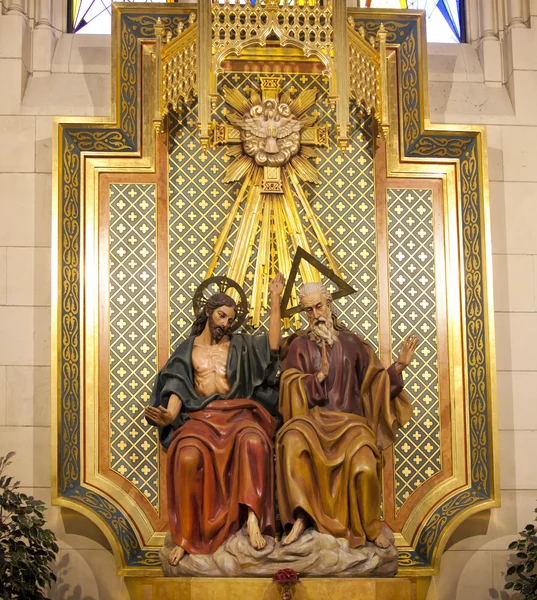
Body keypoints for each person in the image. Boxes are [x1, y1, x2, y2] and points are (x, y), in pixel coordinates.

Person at [145, 274, 285, 566]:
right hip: (201, 418)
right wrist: (168, 415)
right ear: (208, 312)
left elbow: (273, 345)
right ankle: (185, 537)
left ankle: (253, 520)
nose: (225, 323)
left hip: (237, 412)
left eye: (230, 319)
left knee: (255, 441)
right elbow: (178, 387)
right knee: (185, 456)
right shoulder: (188, 351)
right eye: (221, 316)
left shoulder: (241, 345)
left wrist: (275, 299)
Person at [276, 282, 418, 549]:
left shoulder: (353, 344)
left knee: (365, 464)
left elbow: (374, 384)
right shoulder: (298, 346)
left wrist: (399, 366)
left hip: (351, 425)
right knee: (291, 440)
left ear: (329, 305)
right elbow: (288, 384)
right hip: (313, 422)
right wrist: (317, 377)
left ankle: (371, 526)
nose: (316, 314)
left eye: (319, 306)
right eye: (308, 310)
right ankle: (301, 518)